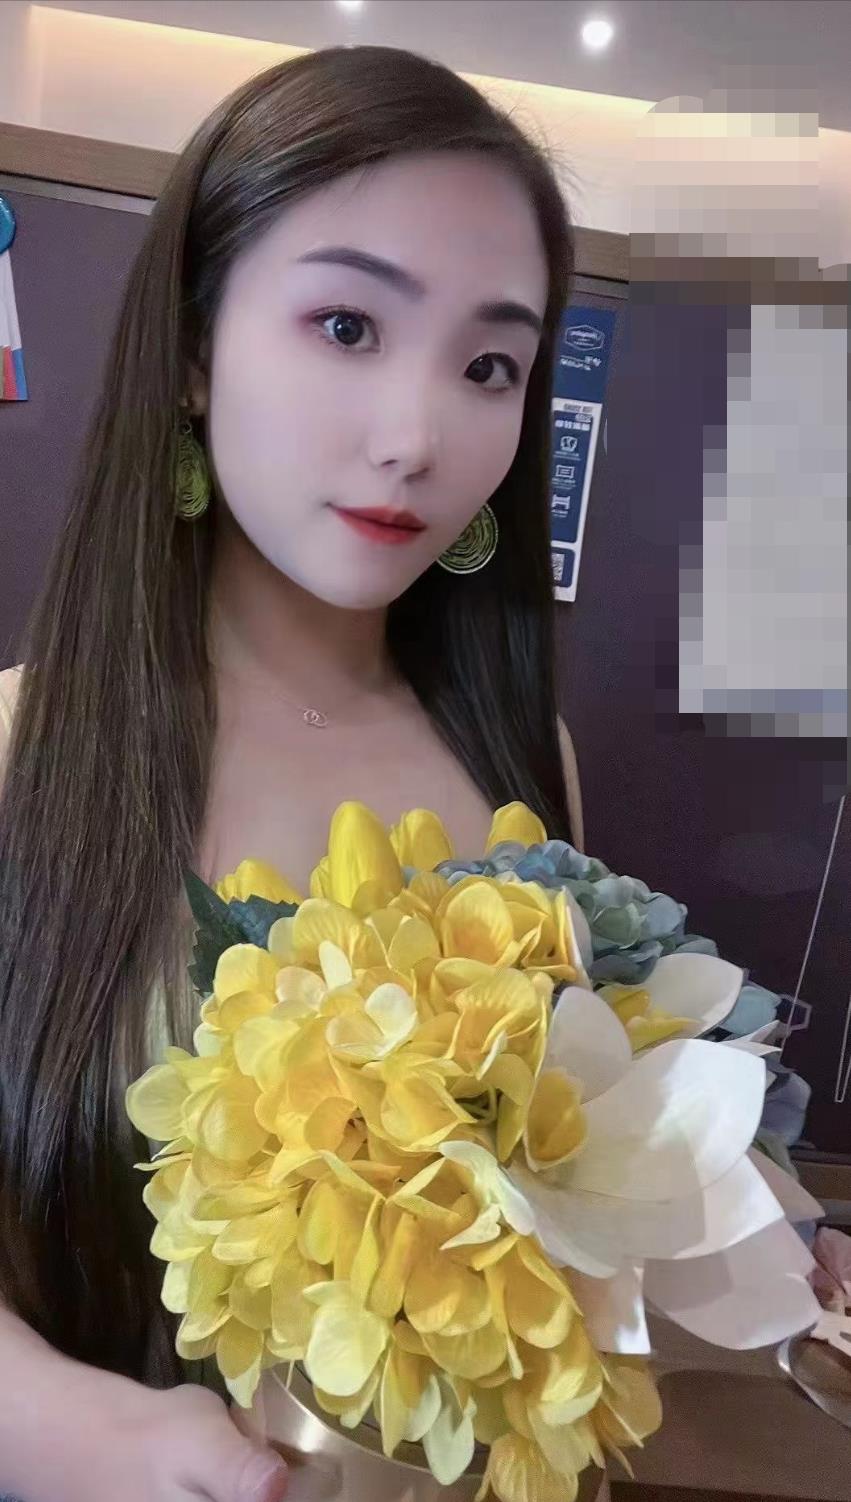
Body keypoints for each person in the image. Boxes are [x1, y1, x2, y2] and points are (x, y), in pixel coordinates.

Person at [0, 45, 587, 1502]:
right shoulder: (19, 752)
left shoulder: (527, 765)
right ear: (195, 349)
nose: (416, 436)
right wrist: (106, 1437)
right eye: (345, 324)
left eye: (490, 365)